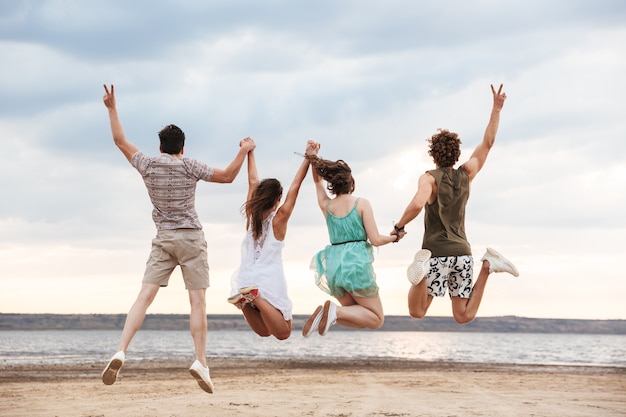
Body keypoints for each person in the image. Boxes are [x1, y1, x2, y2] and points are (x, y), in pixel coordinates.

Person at [100, 84, 255, 394]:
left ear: (160, 147)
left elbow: (119, 140)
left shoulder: (147, 164)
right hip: (192, 239)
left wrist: (112, 108)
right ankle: (200, 361)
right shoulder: (189, 164)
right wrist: (244, 150)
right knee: (197, 301)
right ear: (182, 147)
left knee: (143, 297)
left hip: (163, 239)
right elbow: (227, 176)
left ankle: (121, 350)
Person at [392, 84, 519, 325]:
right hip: (462, 254)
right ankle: (487, 266)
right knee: (463, 315)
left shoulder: (429, 178)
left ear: (434, 155)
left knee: (417, 312)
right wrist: (496, 110)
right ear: (457, 154)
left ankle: (420, 270)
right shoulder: (466, 173)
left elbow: (418, 204)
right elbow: (488, 143)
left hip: (435, 253)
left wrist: (399, 226)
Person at [302, 147, 401, 337]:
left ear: (332, 183)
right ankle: (334, 312)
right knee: (377, 318)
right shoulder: (361, 203)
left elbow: (317, 183)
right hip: (355, 265)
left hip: (333, 267)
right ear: (351, 182)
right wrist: (395, 237)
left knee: (359, 319)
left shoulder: (326, 205)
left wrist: (312, 157)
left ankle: (326, 315)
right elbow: (376, 240)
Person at [228, 141, 318, 340]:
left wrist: (250, 152)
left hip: (245, 276)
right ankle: (255, 297)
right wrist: (308, 158)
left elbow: (252, 181)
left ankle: (244, 301)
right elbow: (295, 187)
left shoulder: (251, 216)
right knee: (284, 332)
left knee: (264, 331)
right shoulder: (279, 219)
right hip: (267, 278)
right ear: (278, 199)